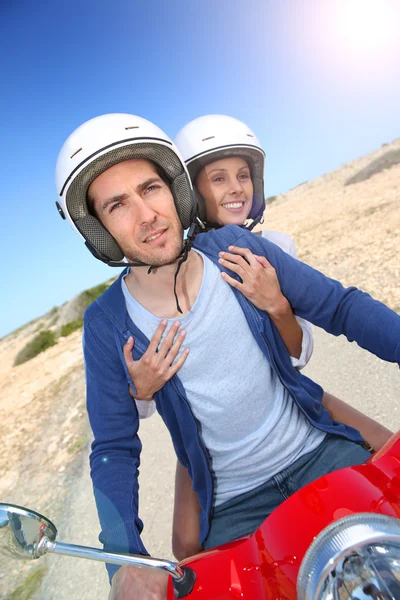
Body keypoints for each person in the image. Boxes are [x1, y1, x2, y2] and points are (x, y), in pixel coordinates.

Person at [55, 112, 400, 600]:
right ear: (100, 229)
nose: (146, 214)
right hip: (232, 506)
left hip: (319, 452)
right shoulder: (106, 323)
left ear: (174, 191)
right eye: (117, 205)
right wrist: (125, 560)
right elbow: (113, 445)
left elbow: (340, 307)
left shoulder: (236, 247)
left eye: (150, 189)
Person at [130, 114, 393, 559]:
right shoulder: (166, 272)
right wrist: (142, 389)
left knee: (385, 457)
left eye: (244, 175)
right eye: (218, 178)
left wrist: (277, 305)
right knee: (187, 552)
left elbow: (298, 356)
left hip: (280, 391)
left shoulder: (273, 247)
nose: (236, 187)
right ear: (189, 192)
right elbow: (138, 395)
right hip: (207, 430)